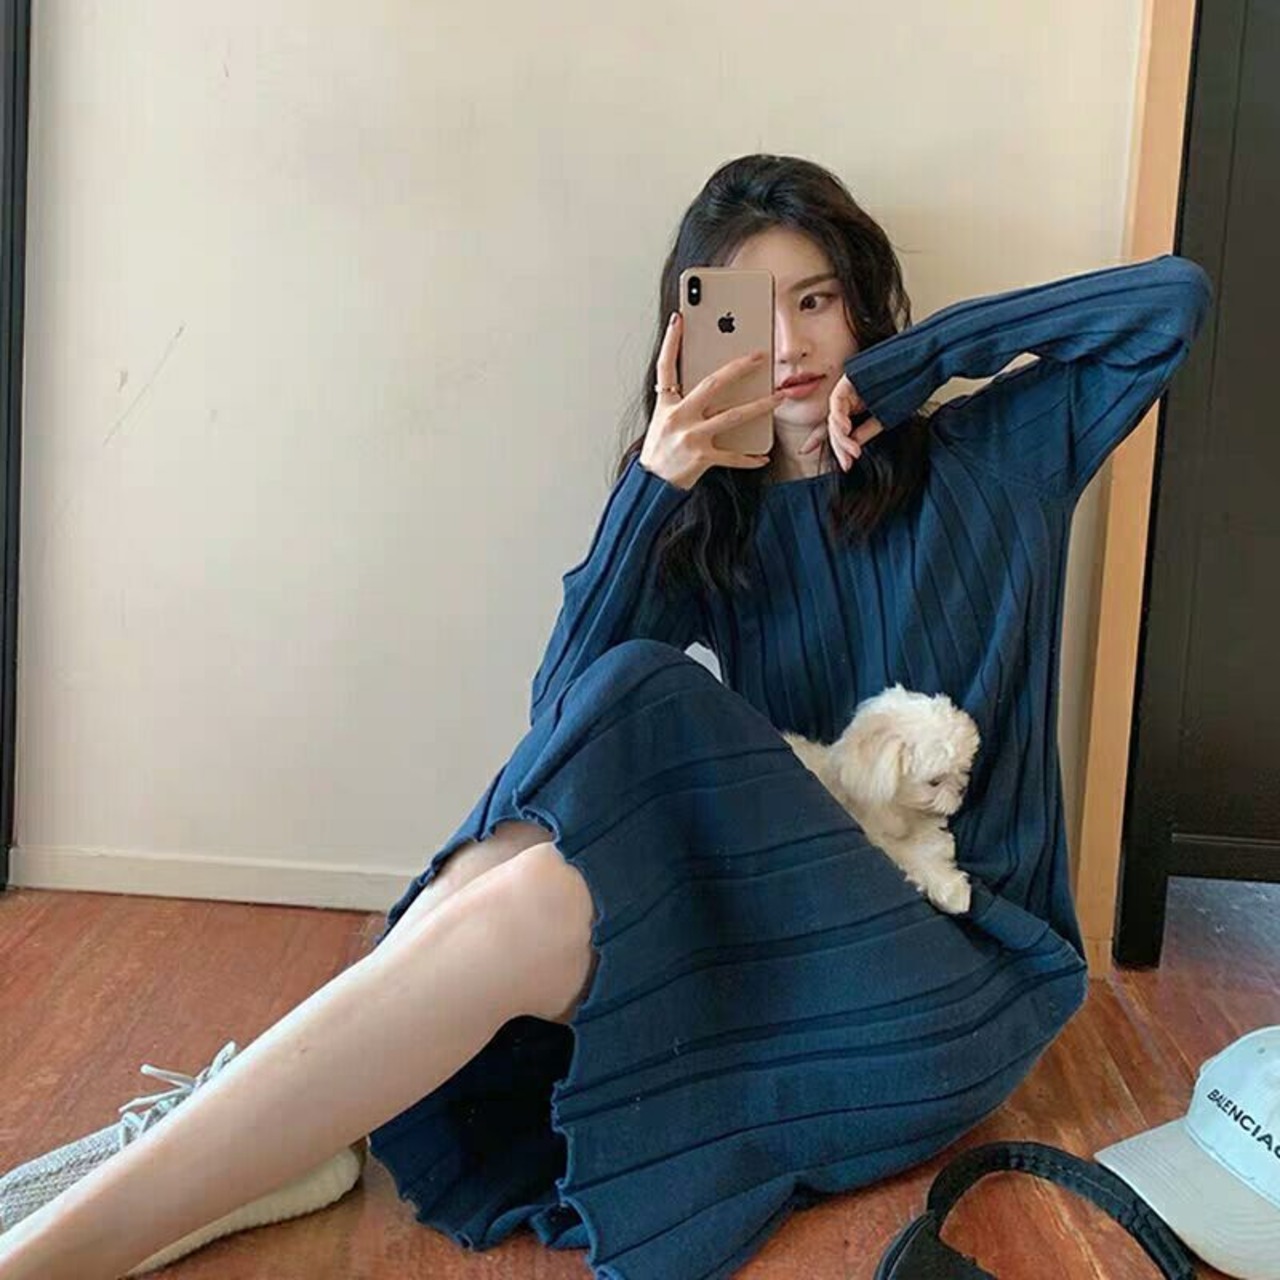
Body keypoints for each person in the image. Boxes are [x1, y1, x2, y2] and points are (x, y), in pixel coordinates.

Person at [0, 153, 1212, 1280]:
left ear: (862, 306)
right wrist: (657, 483)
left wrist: (914, 366)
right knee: (567, 807)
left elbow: (1168, 302)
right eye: (749, 311)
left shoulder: (993, 455)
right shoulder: (718, 522)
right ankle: (206, 1168)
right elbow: (559, 742)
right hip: (787, 943)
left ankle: (206, 1158)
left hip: (959, 979)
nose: (789, 343)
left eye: (818, 301)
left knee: (640, 699)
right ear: (693, 334)